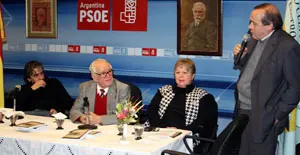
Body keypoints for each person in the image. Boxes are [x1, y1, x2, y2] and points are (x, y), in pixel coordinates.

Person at [233, 3, 300, 155]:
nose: (250, 26)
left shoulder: (288, 47)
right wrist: (240, 56)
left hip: (264, 117)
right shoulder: (253, 37)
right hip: (242, 110)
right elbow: (248, 67)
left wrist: (278, 115)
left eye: (253, 23)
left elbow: (296, 86)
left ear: (269, 25)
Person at [146, 58, 218, 153]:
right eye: (178, 72)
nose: (181, 76)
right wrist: (164, 129)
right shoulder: (163, 90)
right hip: (159, 132)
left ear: (192, 76)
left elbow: (201, 123)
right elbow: (151, 112)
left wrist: (180, 132)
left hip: (185, 137)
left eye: (185, 72)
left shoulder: (203, 96)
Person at [69, 59, 130, 125]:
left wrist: (99, 119)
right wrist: (81, 117)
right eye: (103, 73)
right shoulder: (85, 87)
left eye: (110, 71)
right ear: (94, 77)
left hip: (111, 129)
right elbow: (74, 111)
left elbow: (125, 116)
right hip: (90, 128)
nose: (108, 75)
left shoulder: (122, 88)